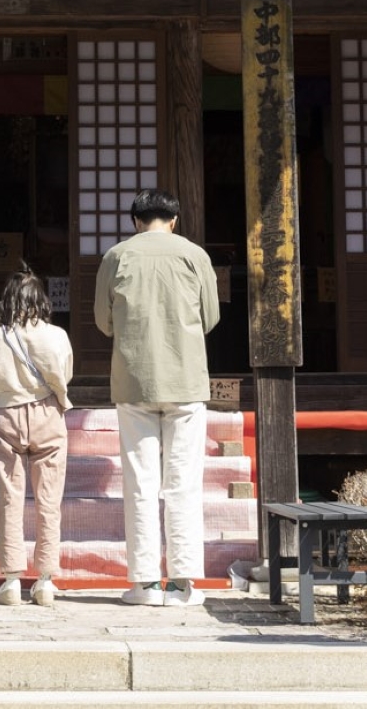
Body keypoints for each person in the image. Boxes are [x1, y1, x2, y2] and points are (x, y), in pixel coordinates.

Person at [93, 188, 218, 606]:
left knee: (140, 483)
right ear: (175, 220)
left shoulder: (116, 257)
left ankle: (144, 584)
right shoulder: (194, 255)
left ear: (135, 221)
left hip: (134, 380)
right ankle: (182, 585)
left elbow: (102, 322)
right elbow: (211, 317)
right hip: (186, 381)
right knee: (183, 483)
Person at [0, 266, 73, 607]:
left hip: (7, 413)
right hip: (47, 412)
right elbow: (67, 373)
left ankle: (12, 579)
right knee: (49, 500)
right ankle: (45, 579)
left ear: (9, 301)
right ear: (41, 301)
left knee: (10, 496)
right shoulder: (57, 335)